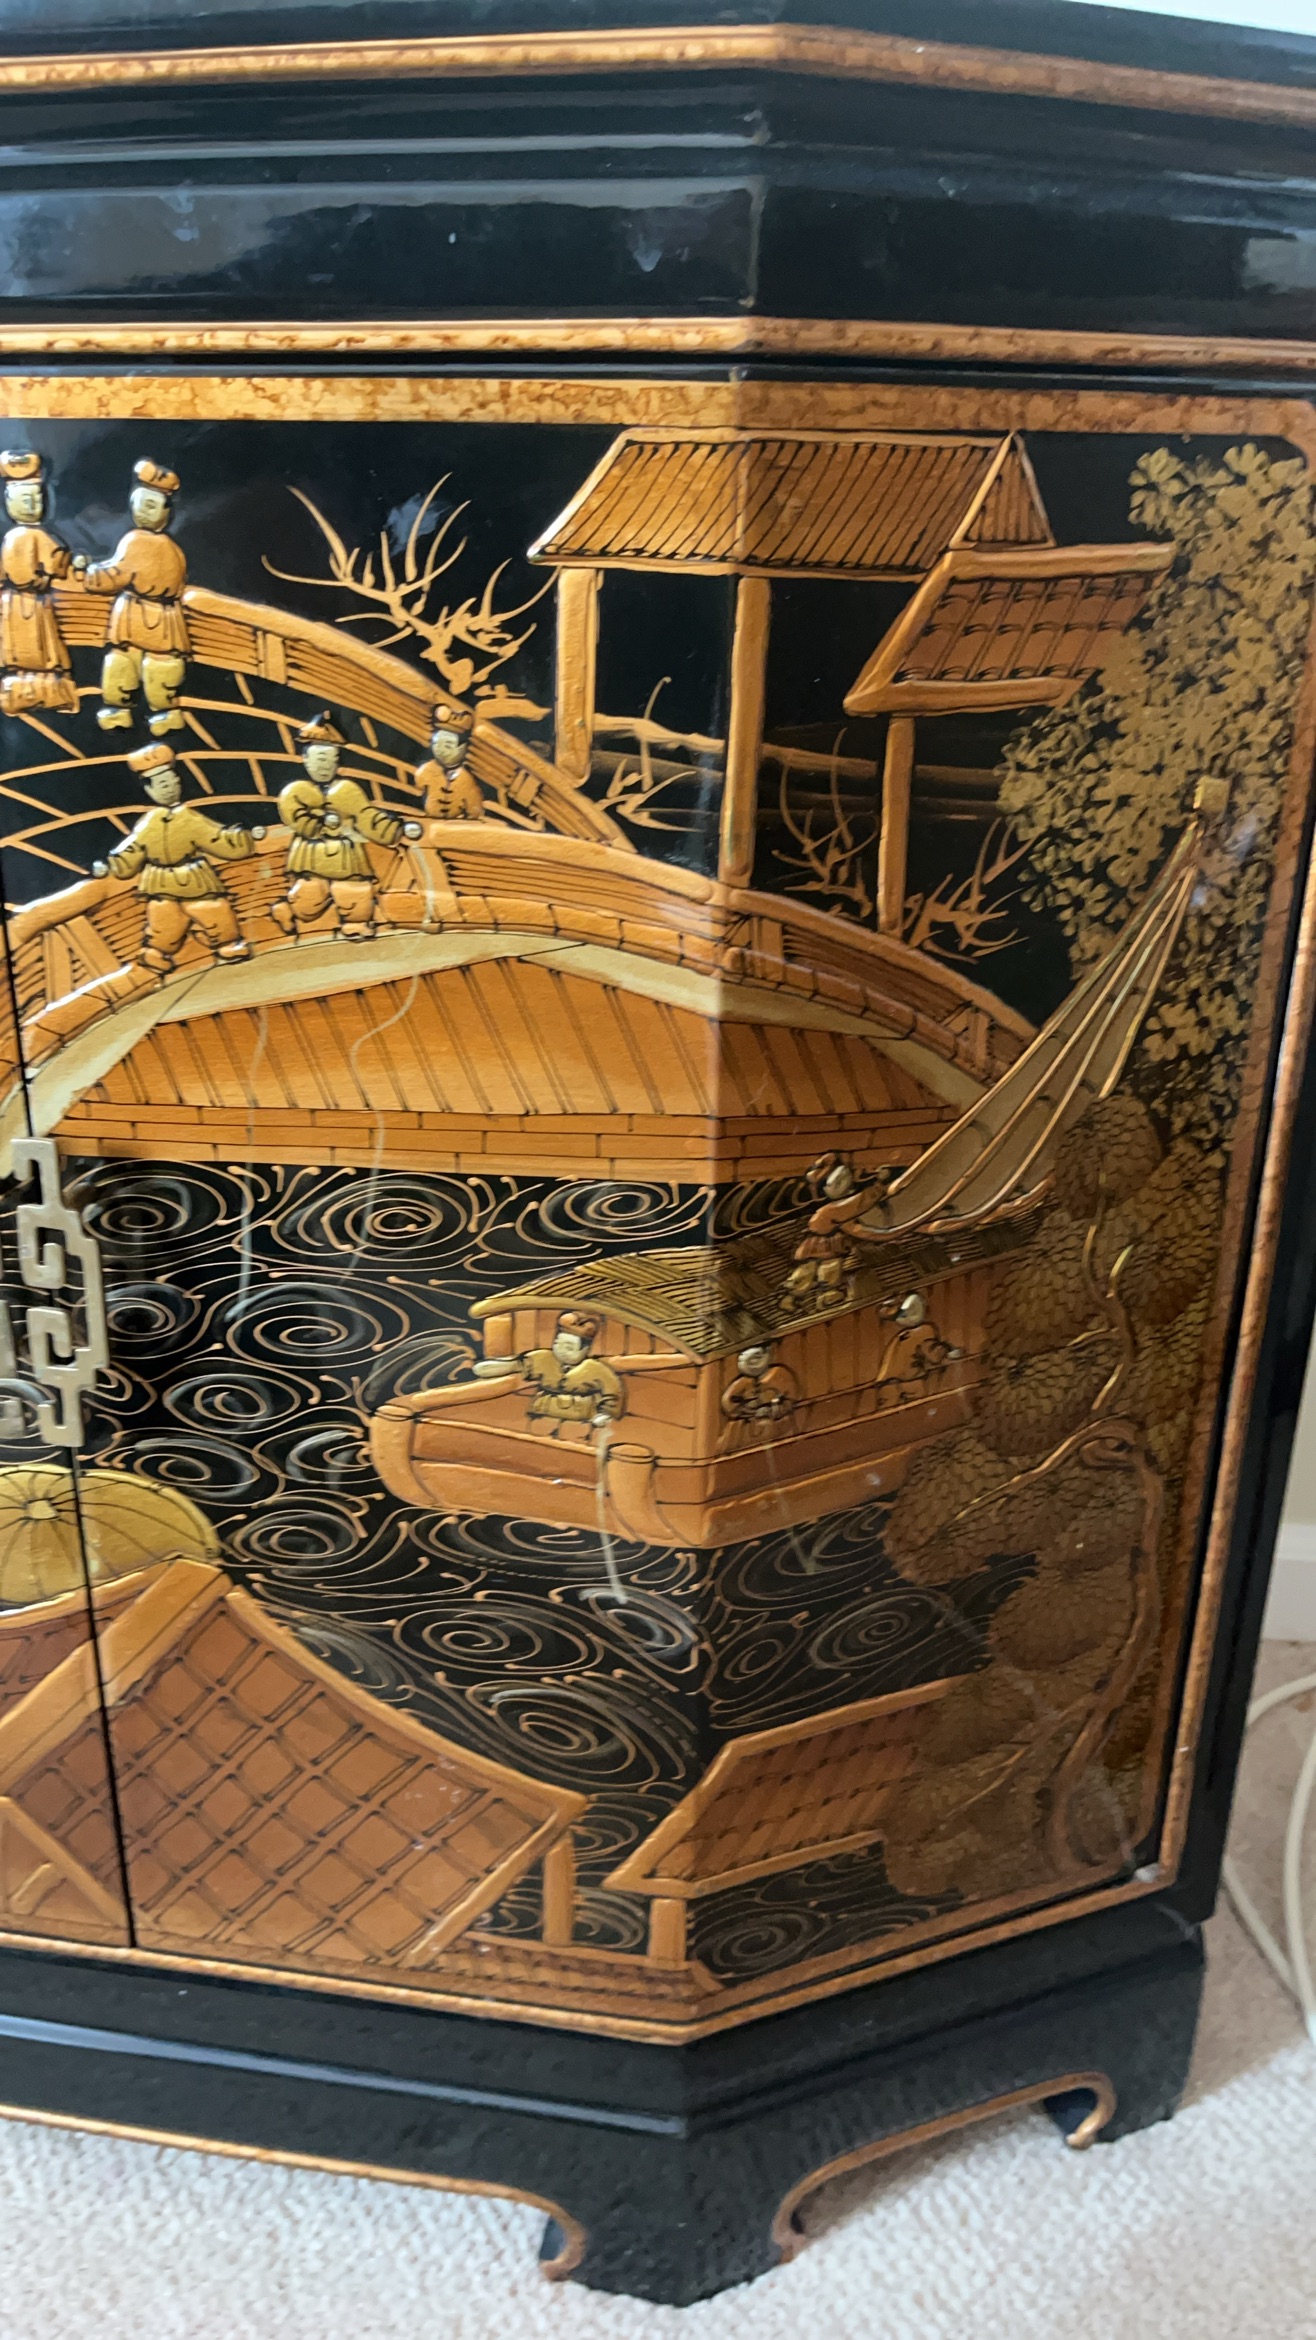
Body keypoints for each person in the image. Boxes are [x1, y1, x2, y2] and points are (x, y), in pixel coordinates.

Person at [93, 742, 260, 973]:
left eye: (172, 781)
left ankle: (227, 944)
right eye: (162, 784)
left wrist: (242, 838)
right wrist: (113, 864)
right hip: (161, 885)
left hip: (194, 881)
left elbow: (216, 838)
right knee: (163, 924)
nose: (169, 787)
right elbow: (132, 850)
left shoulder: (188, 818)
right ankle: (155, 954)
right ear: (149, 790)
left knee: (214, 911)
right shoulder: (148, 823)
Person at [270, 710, 421, 941]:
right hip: (311, 856)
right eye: (319, 760)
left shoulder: (347, 791)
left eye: (329, 760)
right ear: (306, 760)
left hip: (346, 855)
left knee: (354, 892)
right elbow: (295, 817)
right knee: (309, 899)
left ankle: (356, 924)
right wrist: (319, 823)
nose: (324, 766)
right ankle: (288, 910)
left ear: (337, 762)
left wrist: (393, 829)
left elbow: (366, 816)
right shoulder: (296, 792)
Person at [78, 458, 189, 735]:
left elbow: (115, 575)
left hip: (137, 615)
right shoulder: (171, 547)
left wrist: (89, 572)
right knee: (160, 665)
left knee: (125, 661)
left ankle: (119, 710)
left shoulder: (138, 542)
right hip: (163, 618)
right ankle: (165, 714)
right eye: (142, 503)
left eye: (152, 505)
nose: (144, 510)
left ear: (166, 511)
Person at [0, 449, 79, 716]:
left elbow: (56, 561)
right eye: (26, 500)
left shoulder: (33, 536)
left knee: (39, 648)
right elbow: (57, 563)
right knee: (29, 650)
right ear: (9, 502)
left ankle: (36, 691)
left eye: (37, 499)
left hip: (30, 603)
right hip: (22, 604)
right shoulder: (21, 537)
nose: (33, 505)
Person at [472, 1310, 625, 1434]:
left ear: (585, 1349)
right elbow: (516, 1365)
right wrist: (490, 1368)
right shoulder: (544, 1358)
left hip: (580, 1419)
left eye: (569, 1347)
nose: (561, 1351)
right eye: (558, 1344)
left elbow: (613, 1392)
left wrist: (605, 1414)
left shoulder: (596, 1369)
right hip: (542, 1413)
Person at [782, 1153, 896, 1308]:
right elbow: (861, 1205)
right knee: (814, 1269)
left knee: (825, 1268)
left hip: (829, 1239)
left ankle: (825, 1295)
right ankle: (796, 1296)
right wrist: (879, 1186)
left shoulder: (834, 1204)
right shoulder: (834, 1209)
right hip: (822, 1239)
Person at [414, 695, 484, 821]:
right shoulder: (428, 770)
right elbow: (417, 786)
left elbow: (474, 807)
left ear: (462, 748)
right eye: (436, 744)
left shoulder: (465, 779)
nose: (440, 750)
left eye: (448, 745)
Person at [720, 1343, 798, 1426]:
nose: (752, 1363)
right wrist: (745, 1410)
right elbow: (728, 1404)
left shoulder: (779, 1374)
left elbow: (790, 1398)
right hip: (749, 1426)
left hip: (780, 1424)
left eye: (756, 1358)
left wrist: (772, 1409)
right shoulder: (742, 1383)